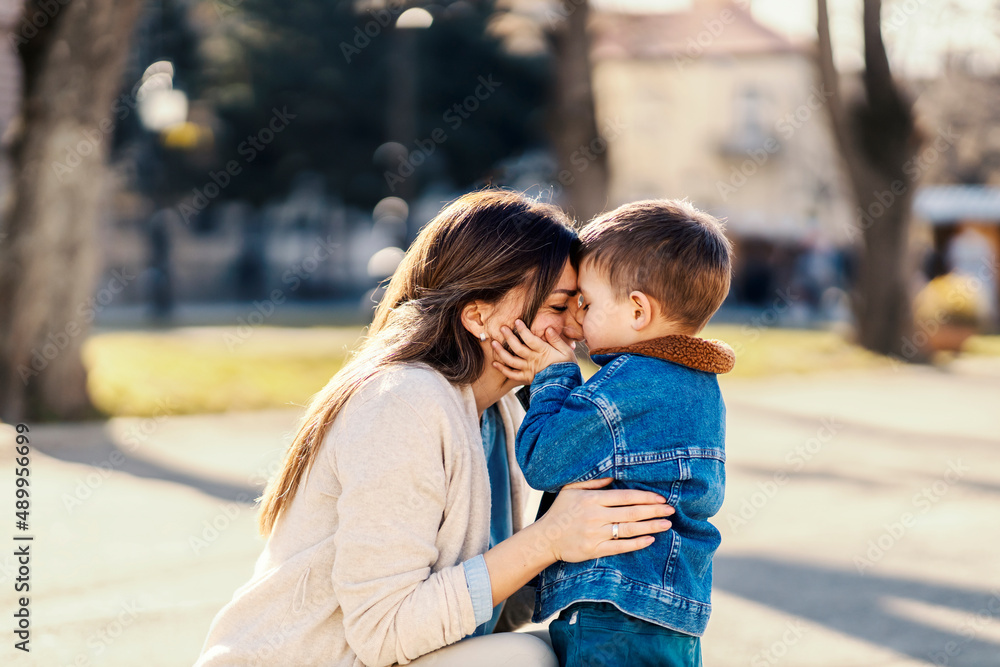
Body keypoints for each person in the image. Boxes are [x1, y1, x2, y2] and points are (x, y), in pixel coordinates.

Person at [195, 191, 676, 667]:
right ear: (478, 315)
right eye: (558, 306)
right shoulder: (403, 404)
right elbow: (384, 633)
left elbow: (495, 614)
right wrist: (548, 539)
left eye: (583, 304)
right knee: (530, 660)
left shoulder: (500, 411)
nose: (577, 328)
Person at [492, 199, 735, 667]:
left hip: (615, 609)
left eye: (587, 302)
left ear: (638, 310)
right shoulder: (698, 386)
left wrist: (554, 376)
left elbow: (544, 459)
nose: (576, 320)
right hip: (672, 611)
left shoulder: (623, 388)